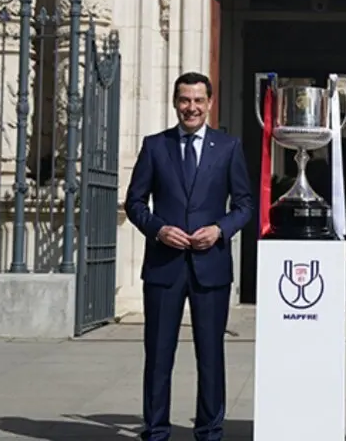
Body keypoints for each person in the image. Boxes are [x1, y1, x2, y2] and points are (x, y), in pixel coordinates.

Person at [124, 72, 254, 441]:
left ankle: (210, 431)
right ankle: (156, 430)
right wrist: (159, 229)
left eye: (198, 100)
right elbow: (134, 202)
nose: (191, 107)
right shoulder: (155, 146)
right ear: (174, 102)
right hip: (163, 267)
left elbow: (244, 205)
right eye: (184, 100)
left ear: (210, 103)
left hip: (211, 266)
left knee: (210, 356)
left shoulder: (228, 147)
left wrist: (220, 229)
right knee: (158, 355)